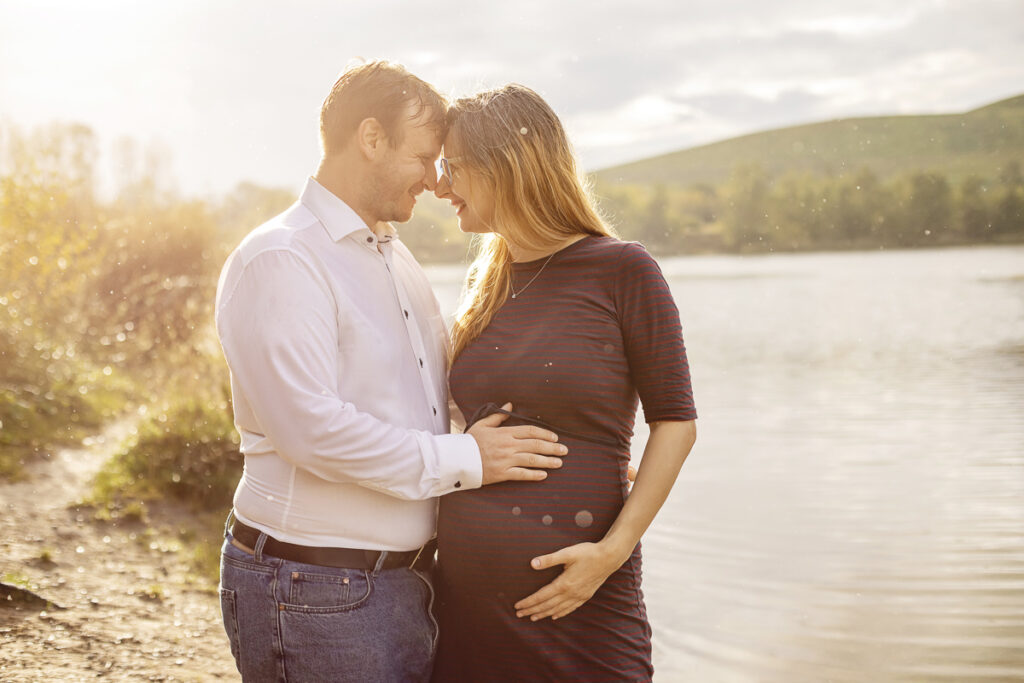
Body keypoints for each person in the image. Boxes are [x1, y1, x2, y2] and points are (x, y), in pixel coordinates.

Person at [213, 62, 568, 683]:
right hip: (314, 590)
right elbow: (310, 431)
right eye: (426, 157)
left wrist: (580, 452)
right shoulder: (282, 258)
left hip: (404, 585)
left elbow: (436, 401)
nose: (436, 182)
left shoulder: (394, 257)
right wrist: (468, 460)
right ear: (371, 139)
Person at [431, 84, 698, 682]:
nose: (440, 186)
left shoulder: (623, 269)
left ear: (504, 164)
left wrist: (611, 551)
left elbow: (676, 424)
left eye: (453, 166)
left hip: (584, 610)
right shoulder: (486, 285)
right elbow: (458, 412)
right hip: (466, 613)